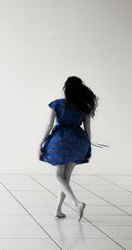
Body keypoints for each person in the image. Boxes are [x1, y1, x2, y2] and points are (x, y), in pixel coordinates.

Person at [38, 76, 98, 221]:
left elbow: (49, 125)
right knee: (66, 179)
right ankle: (58, 210)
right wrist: (88, 148)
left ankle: (76, 203)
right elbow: (88, 130)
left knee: (58, 176)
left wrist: (41, 143)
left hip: (60, 141)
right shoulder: (85, 108)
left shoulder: (57, 104)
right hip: (79, 142)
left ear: (66, 89)